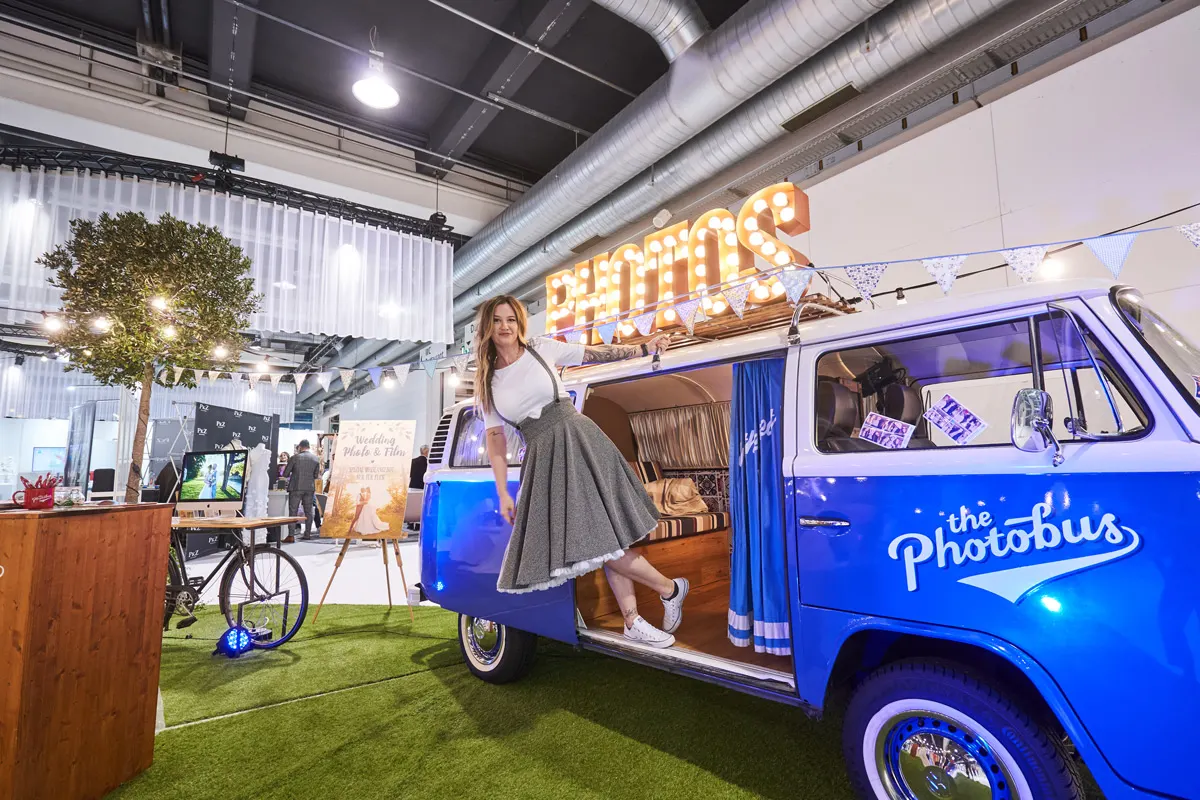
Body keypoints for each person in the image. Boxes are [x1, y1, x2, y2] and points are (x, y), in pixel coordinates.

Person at [475, 294, 686, 648]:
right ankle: (660, 597)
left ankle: (657, 599)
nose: (505, 327)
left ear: (520, 323)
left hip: (578, 441)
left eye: (511, 319)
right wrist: (502, 492)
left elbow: (594, 353)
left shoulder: (541, 348)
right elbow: (495, 439)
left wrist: (643, 348)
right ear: (487, 327)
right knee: (601, 540)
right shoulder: (487, 383)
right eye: (497, 320)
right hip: (542, 456)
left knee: (604, 538)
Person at [283, 439, 321, 542]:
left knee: (293, 511)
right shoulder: (315, 459)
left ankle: (291, 535)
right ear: (308, 446)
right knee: (308, 511)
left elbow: (285, 474)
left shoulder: (295, 458)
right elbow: (316, 475)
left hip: (295, 487)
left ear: (300, 447)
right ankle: (307, 534)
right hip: (309, 488)